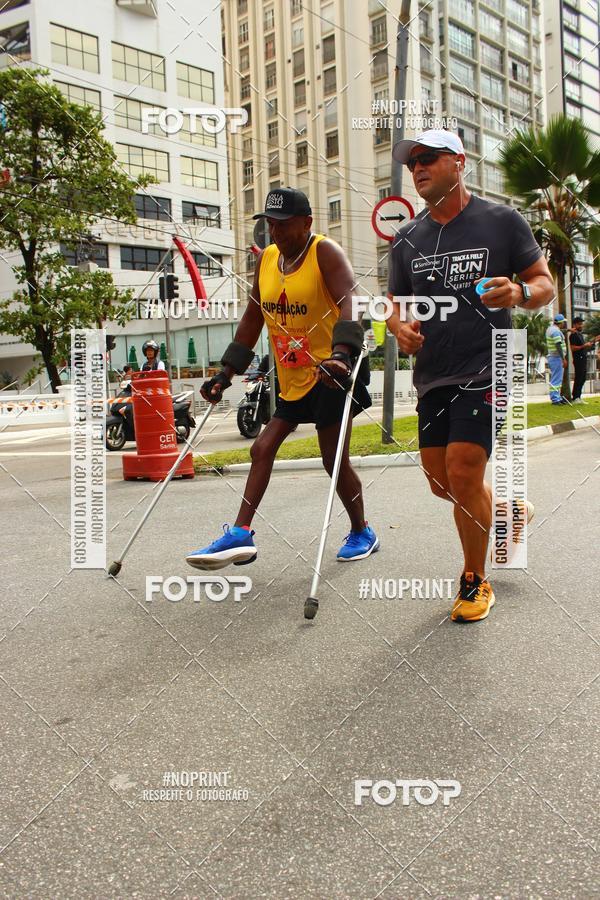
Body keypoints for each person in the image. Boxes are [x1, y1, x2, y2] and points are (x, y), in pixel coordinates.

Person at [387, 129, 554, 623]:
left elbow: (544, 283)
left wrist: (520, 293)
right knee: (442, 483)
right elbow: (394, 303)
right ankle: (507, 513)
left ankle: (474, 580)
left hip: (489, 364)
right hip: (433, 374)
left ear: (459, 162)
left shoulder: (501, 221)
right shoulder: (407, 238)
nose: (418, 168)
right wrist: (399, 328)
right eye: (412, 162)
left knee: (462, 470)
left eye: (428, 158)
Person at [186, 187, 378, 569]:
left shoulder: (325, 252)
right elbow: (253, 317)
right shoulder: (267, 259)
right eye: (270, 224)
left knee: (333, 461)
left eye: (284, 225)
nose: (275, 232)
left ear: (306, 223)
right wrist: (226, 372)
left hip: (332, 373)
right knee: (262, 447)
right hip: (292, 374)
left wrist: (341, 354)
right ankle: (241, 533)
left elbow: (351, 301)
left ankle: (362, 531)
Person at [569, 316, 600, 403]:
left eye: (582, 324)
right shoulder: (573, 335)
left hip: (583, 358)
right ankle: (575, 397)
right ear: (574, 325)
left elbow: (585, 347)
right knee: (579, 378)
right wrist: (584, 346)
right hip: (578, 359)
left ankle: (578, 397)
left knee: (583, 378)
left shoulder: (580, 335)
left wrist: (594, 341)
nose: (581, 325)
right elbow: (573, 348)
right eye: (579, 324)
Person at [545, 313, 568, 404]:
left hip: (553, 357)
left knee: (556, 378)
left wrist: (568, 330)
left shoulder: (551, 329)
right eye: (563, 322)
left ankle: (556, 397)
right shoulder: (555, 332)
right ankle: (555, 399)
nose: (564, 324)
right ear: (561, 322)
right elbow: (558, 344)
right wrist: (563, 358)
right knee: (556, 379)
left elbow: (559, 332)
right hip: (557, 357)